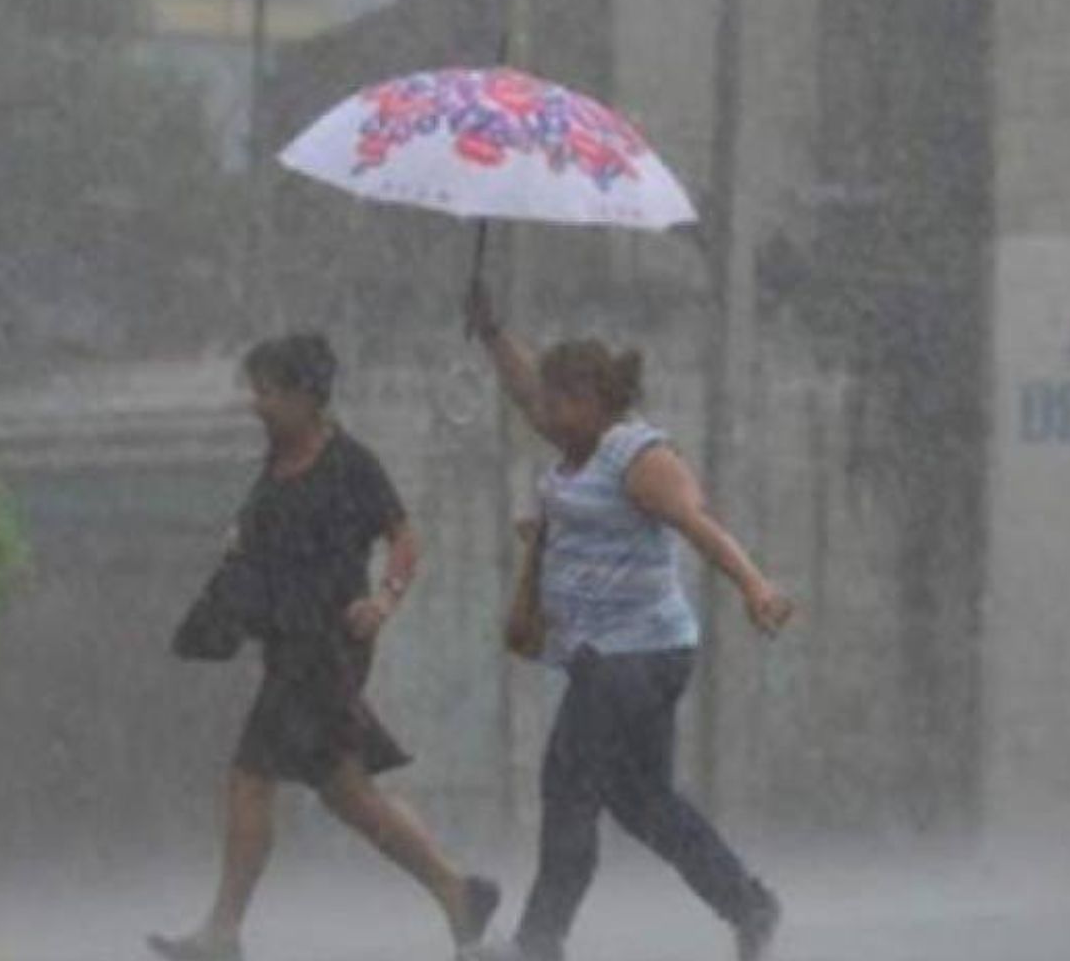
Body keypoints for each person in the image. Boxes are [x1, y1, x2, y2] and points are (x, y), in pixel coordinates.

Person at [465, 284, 795, 961]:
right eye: (548, 401)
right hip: (623, 656)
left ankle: (538, 942)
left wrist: (754, 585)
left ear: (596, 399)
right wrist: (492, 332)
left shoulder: (636, 455)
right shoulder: (575, 445)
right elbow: (525, 391)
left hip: (633, 656)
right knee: (642, 800)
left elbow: (697, 523)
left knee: (568, 783)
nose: (547, 413)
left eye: (561, 401)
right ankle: (748, 904)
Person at [150, 333, 500, 961]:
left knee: (251, 777)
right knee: (347, 793)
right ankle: (458, 891)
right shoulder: (274, 463)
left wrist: (385, 600)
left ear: (306, 396)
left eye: (267, 392)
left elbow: (404, 537)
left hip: (326, 650)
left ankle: (223, 932)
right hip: (289, 647)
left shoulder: (349, 464)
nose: (256, 404)